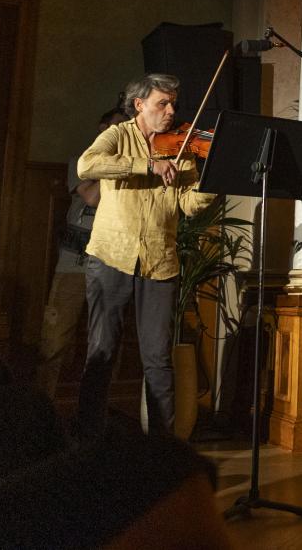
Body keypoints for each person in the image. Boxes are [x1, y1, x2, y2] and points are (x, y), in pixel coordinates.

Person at [76, 73, 215, 435]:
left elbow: (188, 205)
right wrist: (148, 165)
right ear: (139, 105)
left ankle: (161, 449)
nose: (170, 112)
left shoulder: (182, 147)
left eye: (173, 104)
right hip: (111, 256)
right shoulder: (117, 135)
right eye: (162, 103)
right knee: (102, 352)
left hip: (159, 263)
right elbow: (87, 165)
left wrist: (215, 180)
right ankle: (87, 440)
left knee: (158, 359)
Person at [36, 107, 127, 400]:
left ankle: (95, 410)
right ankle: (44, 405)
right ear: (102, 128)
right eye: (117, 126)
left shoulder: (130, 165)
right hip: (74, 264)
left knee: (105, 342)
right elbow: (91, 196)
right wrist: (116, 164)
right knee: (55, 339)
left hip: (110, 263)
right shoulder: (82, 161)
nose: (123, 133)